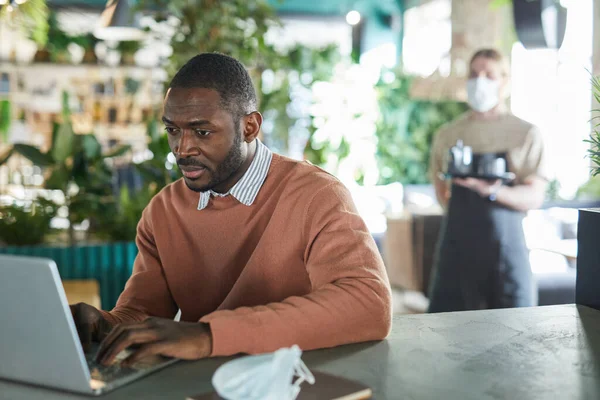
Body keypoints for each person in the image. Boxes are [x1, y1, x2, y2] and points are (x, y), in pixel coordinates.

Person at [71, 53, 392, 367]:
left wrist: (209, 335)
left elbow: (368, 303)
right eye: (172, 130)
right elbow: (143, 314)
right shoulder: (163, 212)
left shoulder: (316, 196)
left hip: (298, 383)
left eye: (202, 132)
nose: (182, 149)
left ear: (250, 127)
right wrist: (105, 324)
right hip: (202, 388)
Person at [427, 48, 549, 313]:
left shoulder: (525, 133)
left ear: (505, 80)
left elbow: (534, 196)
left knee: (513, 336)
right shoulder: (448, 134)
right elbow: (440, 190)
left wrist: (491, 191)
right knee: (446, 337)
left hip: (506, 255)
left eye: (488, 74)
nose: (479, 81)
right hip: (456, 253)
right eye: (473, 74)